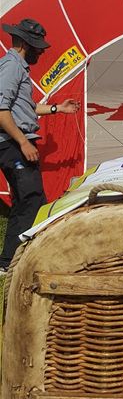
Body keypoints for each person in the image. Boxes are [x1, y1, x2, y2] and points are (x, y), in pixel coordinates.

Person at [0, 18, 81, 273]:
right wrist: (23, 142)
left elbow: (24, 107)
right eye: (38, 46)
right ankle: (8, 263)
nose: (42, 51)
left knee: (33, 199)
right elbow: (1, 109)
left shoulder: (20, 68)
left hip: (15, 141)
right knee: (30, 199)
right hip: (11, 143)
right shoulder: (11, 67)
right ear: (25, 43)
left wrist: (58, 108)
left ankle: (26, 254)